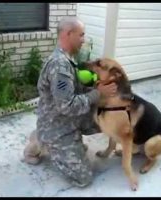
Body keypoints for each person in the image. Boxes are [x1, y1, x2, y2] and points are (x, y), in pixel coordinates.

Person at [23, 17, 117, 187]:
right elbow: (67, 106)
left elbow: (78, 91)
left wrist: (102, 92)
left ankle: (47, 136)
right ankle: (42, 139)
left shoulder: (68, 60)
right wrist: (98, 93)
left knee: (109, 118)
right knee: (84, 178)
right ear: (68, 34)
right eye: (81, 35)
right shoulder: (59, 66)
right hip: (58, 125)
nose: (83, 40)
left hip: (69, 118)